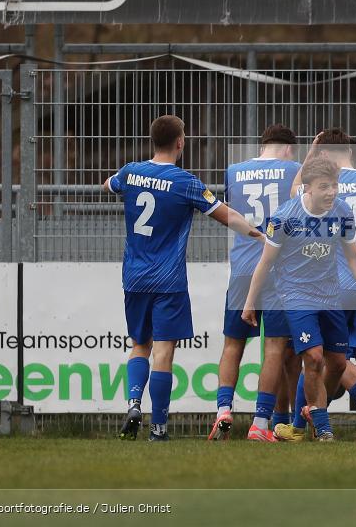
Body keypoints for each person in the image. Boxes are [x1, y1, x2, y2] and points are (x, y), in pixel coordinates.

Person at [103, 115, 259, 442]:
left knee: (139, 345)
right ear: (180, 142)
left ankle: (133, 403)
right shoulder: (185, 182)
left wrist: (116, 183)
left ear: (153, 141)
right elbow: (225, 214)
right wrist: (256, 233)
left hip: (134, 277)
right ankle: (158, 428)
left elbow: (109, 184)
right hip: (168, 280)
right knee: (163, 352)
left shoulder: (130, 172)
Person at [243, 156, 356, 441]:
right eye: (324, 187)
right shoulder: (285, 217)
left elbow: (353, 256)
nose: (331, 192)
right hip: (295, 295)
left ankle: (306, 416)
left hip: (330, 296)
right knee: (314, 356)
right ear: (307, 188)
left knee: (338, 363)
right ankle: (323, 427)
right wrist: (249, 302)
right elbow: (265, 262)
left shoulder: (342, 212)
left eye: (334, 185)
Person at [274, 131, 356, 442]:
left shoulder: (321, 183)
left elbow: (294, 193)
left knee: (320, 356)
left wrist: (311, 152)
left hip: (331, 284)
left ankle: (303, 423)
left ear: (323, 155)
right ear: (351, 151)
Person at [208, 124, 302, 442]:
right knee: (275, 347)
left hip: (242, 268)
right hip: (278, 269)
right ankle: (260, 424)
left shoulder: (234, 171)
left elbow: (230, 213)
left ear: (263, 146)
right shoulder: (295, 170)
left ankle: (223, 410)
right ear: (288, 148)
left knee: (233, 343)